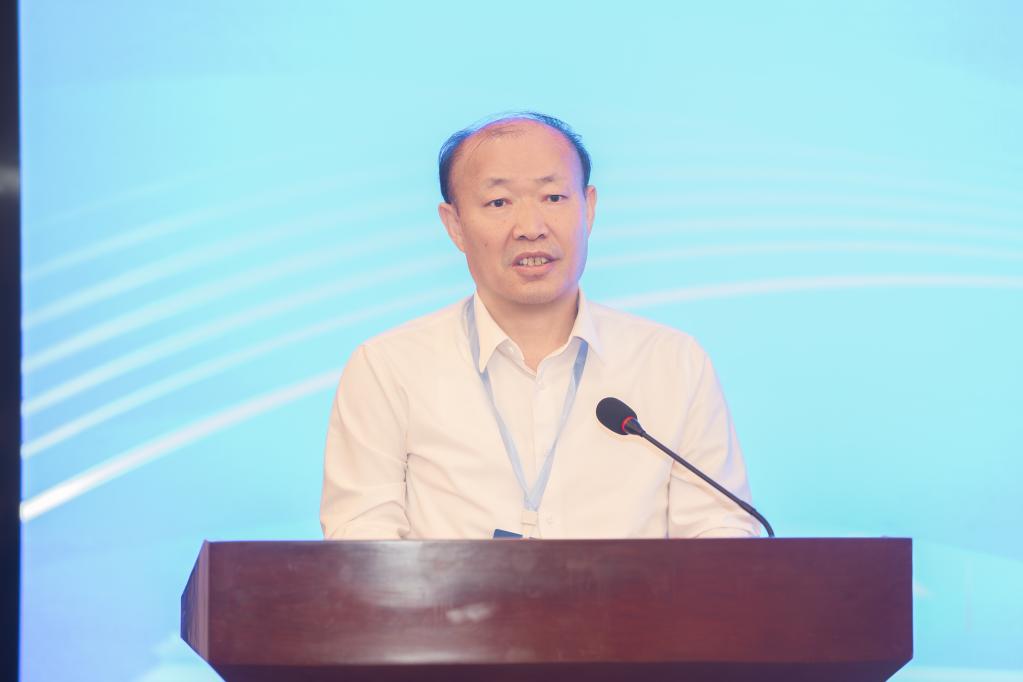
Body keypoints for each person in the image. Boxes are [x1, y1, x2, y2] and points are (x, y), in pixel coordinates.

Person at [320, 112, 758, 540]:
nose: (531, 228)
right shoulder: (389, 367)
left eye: (553, 198)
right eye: (499, 203)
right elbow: (361, 542)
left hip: (633, 596)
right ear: (455, 225)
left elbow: (720, 535)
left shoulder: (672, 362)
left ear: (588, 208)